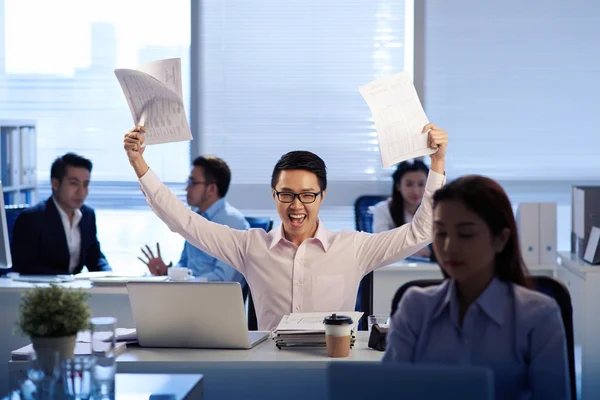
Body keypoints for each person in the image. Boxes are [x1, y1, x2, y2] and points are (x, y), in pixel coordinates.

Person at [124, 124, 448, 329]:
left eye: (307, 195)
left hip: (332, 371)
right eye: (287, 195)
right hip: (268, 371)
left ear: (322, 196)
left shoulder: (353, 247)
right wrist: (140, 164)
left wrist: (437, 163)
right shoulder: (250, 246)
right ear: (273, 195)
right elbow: (185, 222)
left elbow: (420, 232)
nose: (296, 206)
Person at [382, 175, 570, 400]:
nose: (449, 246)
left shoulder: (538, 315)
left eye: (465, 234)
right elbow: (389, 390)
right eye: (441, 233)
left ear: (500, 239)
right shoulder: (415, 306)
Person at [137, 155, 249, 287]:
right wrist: (169, 272)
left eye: (193, 182)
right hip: (189, 293)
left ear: (211, 189)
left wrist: (187, 282)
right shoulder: (195, 218)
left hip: (213, 300)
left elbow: (223, 279)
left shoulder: (232, 221)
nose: (187, 188)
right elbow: (184, 263)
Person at [12, 153, 111, 275]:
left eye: (85, 184)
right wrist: (68, 280)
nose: (81, 192)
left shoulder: (87, 215)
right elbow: (25, 266)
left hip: (75, 290)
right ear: (55, 184)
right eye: (74, 183)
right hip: (44, 290)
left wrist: (110, 275)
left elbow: (95, 257)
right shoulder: (31, 218)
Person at [372, 159, 433, 260]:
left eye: (421, 184)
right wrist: (412, 250)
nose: (416, 191)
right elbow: (380, 247)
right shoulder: (383, 209)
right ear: (398, 186)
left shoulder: (434, 210)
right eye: (409, 184)